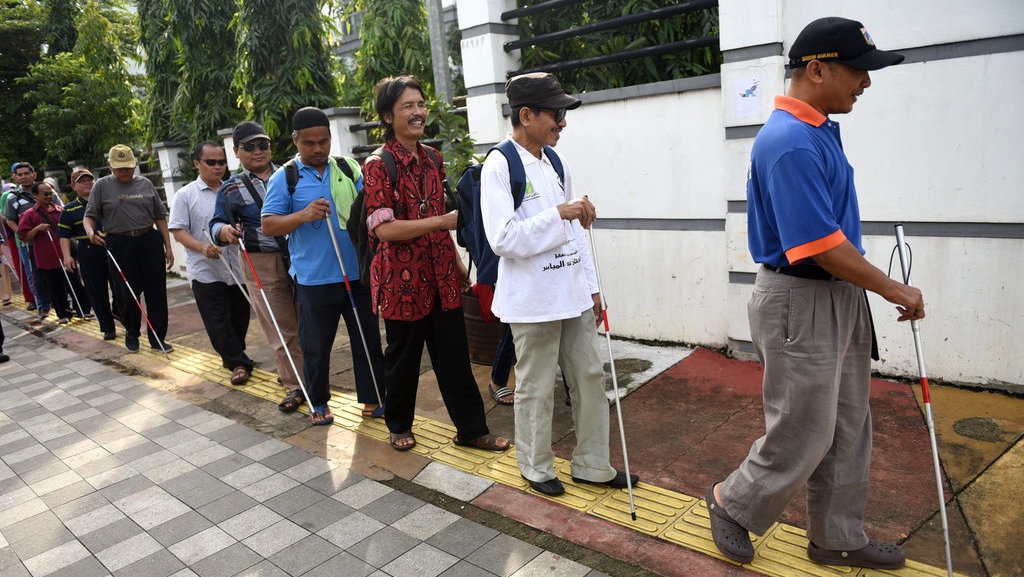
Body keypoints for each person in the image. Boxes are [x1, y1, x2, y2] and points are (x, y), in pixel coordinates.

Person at [705, 18, 926, 570]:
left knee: (848, 424)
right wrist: (892, 287)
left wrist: (868, 288)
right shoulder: (789, 141)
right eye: (858, 70)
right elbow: (820, 245)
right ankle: (732, 503)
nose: (866, 82)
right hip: (800, 300)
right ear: (817, 69)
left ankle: (837, 535)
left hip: (835, 295)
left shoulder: (819, 129)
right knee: (804, 427)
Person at [479, 71, 635, 496]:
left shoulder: (556, 162)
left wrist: (592, 287)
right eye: (556, 114)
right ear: (526, 115)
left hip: (572, 294)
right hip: (532, 301)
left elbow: (576, 233)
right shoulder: (500, 164)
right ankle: (535, 466)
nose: (562, 122)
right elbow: (503, 239)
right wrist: (560, 214)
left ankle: (593, 465)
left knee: (590, 377)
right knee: (536, 385)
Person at [363, 76, 508, 453]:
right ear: (388, 116)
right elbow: (384, 230)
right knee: (403, 359)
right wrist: (440, 223)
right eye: (407, 106)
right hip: (401, 283)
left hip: (442, 277)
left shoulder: (433, 158)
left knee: (455, 357)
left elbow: (440, 216)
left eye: (420, 104)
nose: (418, 112)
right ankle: (398, 424)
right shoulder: (378, 165)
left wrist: (456, 262)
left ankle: (472, 430)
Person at [262, 107, 386, 426]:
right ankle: (318, 401)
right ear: (295, 140)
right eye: (309, 143)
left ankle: (373, 398)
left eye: (323, 141)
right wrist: (303, 215)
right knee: (316, 346)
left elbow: (368, 208)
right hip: (314, 279)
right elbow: (269, 224)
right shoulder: (285, 178)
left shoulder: (348, 168)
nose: (317, 149)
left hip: (356, 273)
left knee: (368, 340)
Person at [212, 122, 307, 409]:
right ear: (236, 151)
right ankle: (297, 386)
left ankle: (308, 375)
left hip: (302, 255)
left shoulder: (293, 173)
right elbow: (216, 224)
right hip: (261, 261)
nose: (258, 151)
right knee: (281, 326)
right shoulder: (230, 188)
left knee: (309, 323)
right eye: (249, 146)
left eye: (263, 144)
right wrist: (225, 232)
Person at [170, 141, 252, 380]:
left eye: (222, 162)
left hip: (236, 267)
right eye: (211, 162)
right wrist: (202, 247)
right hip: (205, 270)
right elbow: (178, 231)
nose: (218, 167)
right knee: (218, 320)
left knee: (240, 315)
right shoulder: (185, 195)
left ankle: (237, 355)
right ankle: (237, 363)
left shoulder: (233, 190)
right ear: (197, 163)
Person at [84, 144, 174, 353]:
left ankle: (158, 338)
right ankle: (132, 332)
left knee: (156, 292)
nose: (125, 171)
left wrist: (168, 247)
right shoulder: (101, 186)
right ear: (110, 167)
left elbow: (160, 217)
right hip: (119, 243)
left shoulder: (145, 184)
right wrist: (90, 232)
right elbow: (89, 217)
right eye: (119, 168)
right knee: (126, 293)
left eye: (128, 167)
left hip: (149, 240)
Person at [59, 169, 117, 340]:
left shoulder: (107, 201)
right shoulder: (69, 209)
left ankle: (122, 315)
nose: (87, 183)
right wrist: (67, 257)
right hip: (88, 252)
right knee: (97, 291)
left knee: (120, 288)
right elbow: (63, 235)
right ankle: (107, 327)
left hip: (112, 248)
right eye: (81, 181)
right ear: (73, 186)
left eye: (89, 179)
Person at [18, 181, 81, 323]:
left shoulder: (60, 210)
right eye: (45, 194)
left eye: (51, 193)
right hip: (47, 258)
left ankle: (83, 310)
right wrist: (36, 229)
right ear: (35, 195)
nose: (49, 196)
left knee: (75, 283)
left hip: (66, 255)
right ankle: (63, 314)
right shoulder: (29, 214)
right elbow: (24, 237)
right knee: (55, 288)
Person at [4, 162, 41, 312]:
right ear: (14, 177)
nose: (23, 177)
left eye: (26, 173)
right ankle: (39, 302)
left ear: (34, 174)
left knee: (53, 270)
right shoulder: (11, 197)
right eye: (20, 174)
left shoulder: (45, 190)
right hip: (26, 243)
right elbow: (9, 220)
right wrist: (22, 233)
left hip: (48, 240)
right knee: (32, 273)